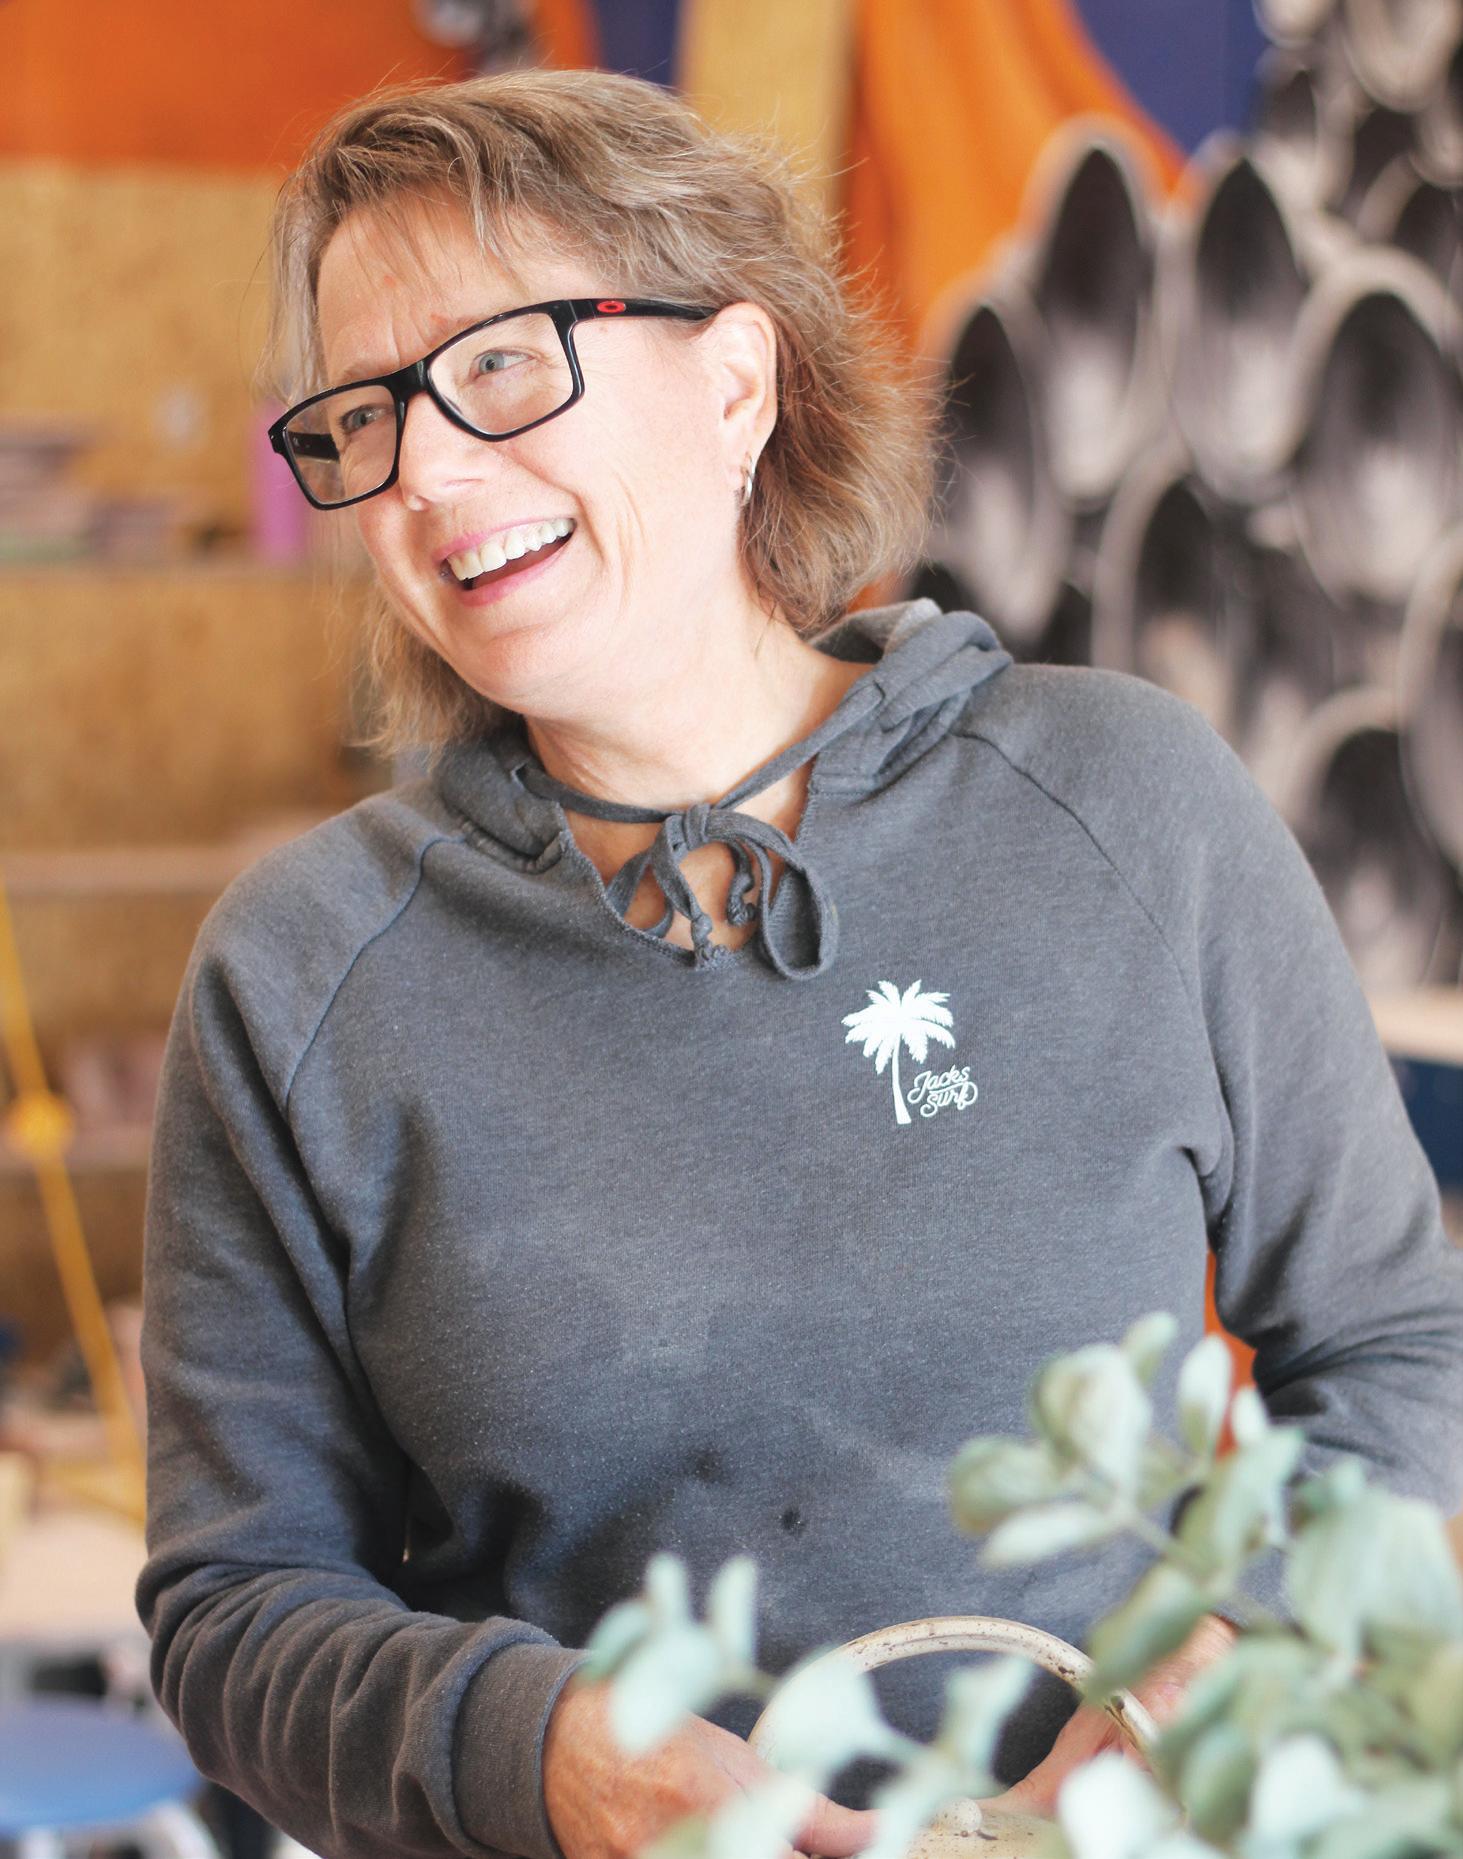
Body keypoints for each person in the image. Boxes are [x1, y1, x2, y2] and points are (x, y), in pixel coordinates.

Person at [137, 65, 1463, 1859]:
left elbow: (1396, 1346)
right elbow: (236, 1609)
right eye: (364, 417)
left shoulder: (1128, 805)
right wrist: (539, 1757)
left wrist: (1221, 1681)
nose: (428, 473)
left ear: (737, 383)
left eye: (504, 367)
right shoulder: (301, 977)